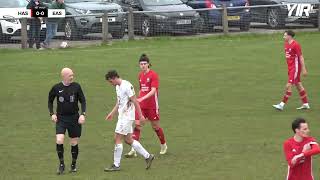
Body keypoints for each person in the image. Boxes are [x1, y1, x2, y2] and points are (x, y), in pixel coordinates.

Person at [104, 70, 154, 172]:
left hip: (126, 117)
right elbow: (119, 102)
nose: (111, 84)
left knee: (117, 138)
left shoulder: (127, 85)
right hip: (122, 116)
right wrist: (112, 113)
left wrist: (140, 116)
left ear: (114, 78)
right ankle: (148, 156)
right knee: (128, 140)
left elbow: (135, 101)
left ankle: (116, 165)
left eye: (110, 81)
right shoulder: (118, 87)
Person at [125, 54, 167, 158]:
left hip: (152, 105)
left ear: (148, 64)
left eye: (145, 64)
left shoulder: (153, 75)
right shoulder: (140, 75)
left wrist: (142, 99)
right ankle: (133, 149)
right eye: (141, 64)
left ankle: (163, 145)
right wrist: (137, 100)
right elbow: (141, 90)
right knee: (138, 124)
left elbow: (153, 91)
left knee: (155, 126)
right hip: (141, 105)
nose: (143, 65)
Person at [48, 67, 86, 174]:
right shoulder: (56, 88)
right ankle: (61, 164)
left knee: (74, 142)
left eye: (72, 75)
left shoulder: (76, 86)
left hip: (74, 118)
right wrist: (52, 114)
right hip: (61, 119)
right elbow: (50, 101)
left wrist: (83, 114)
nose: (72, 77)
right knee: (59, 140)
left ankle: (73, 164)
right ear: (64, 76)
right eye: (70, 75)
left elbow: (83, 101)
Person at [273, 30, 310, 111]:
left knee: (288, 85)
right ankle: (306, 104)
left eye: (285, 35)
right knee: (298, 85)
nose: (283, 37)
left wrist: (304, 68)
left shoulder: (296, 45)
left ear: (289, 36)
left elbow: (300, 57)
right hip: (290, 68)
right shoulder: (286, 44)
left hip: (295, 68)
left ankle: (281, 105)